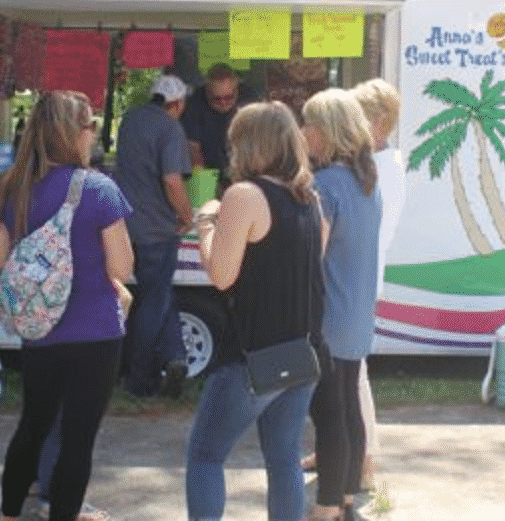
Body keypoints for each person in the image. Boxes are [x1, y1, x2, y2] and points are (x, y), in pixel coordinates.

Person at [0, 90, 134, 521]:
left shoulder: (11, 186)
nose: (93, 136)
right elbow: (123, 267)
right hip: (96, 332)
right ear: (76, 134)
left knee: (32, 427)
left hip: (40, 330)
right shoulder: (99, 190)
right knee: (77, 440)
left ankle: (9, 516)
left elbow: (3, 260)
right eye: (90, 127)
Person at [186, 101, 327, 521]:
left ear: (245, 145)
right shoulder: (310, 198)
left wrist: (206, 226)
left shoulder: (244, 195)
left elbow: (223, 277)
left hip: (252, 355)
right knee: (283, 457)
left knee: (206, 456)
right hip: (302, 352)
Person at [301, 79, 405, 491]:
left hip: (330, 316)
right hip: (356, 311)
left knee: (330, 417)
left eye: (308, 124)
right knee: (348, 412)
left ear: (326, 131)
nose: (302, 132)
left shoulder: (326, 186)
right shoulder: (366, 181)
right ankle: (346, 496)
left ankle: (328, 504)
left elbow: (313, 256)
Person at [114, 74, 194, 398]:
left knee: (159, 296)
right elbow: (173, 180)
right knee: (152, 300)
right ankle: (141, 379)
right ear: (174, 104)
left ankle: (175, 356)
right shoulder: (170, 127)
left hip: (124, 224)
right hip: (157, 229)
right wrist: (187, 215)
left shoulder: (130, 120)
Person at [180, 62, 259, 175]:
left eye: (228, 97)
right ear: (207, 92)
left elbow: (259, 144)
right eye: (216, 99)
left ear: (237, 91)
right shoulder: (194, 103)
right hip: (209, 167)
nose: (223, 103)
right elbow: (193, 148)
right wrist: (204, 183)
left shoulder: (250, 101)